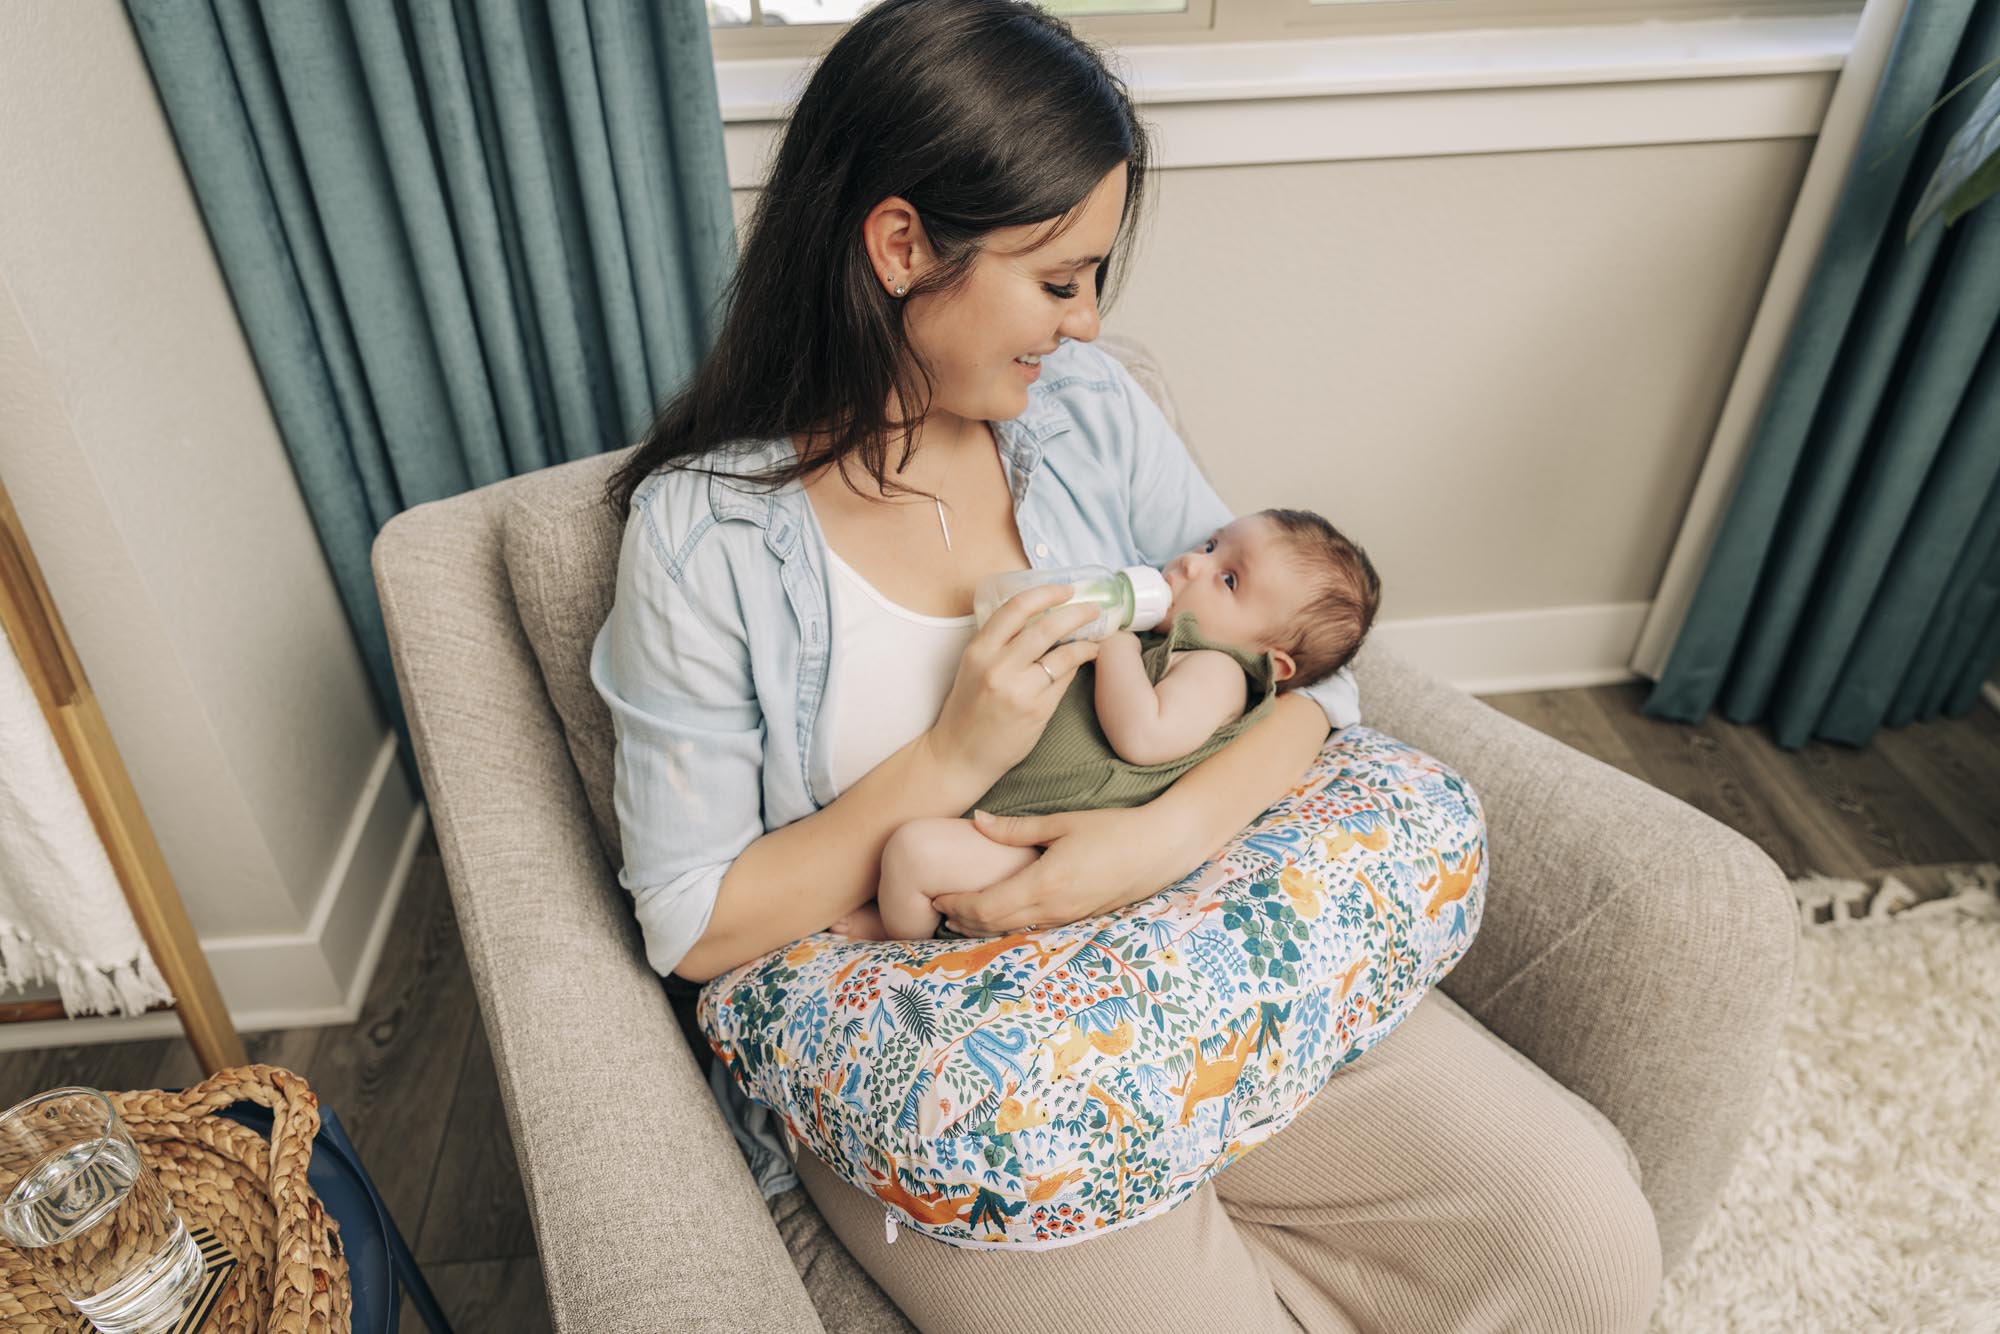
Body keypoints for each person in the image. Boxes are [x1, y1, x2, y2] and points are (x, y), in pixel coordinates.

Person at [588, 0, 1662, 1327]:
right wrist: (948, 761)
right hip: (960, 1061)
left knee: (1578, 1236)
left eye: (1096, 275)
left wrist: (1161, 834)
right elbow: (694, 923)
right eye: (1057, 279)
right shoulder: (704, 539)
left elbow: (1307, 671)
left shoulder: (1088, 416)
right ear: (902, 243)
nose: (1088, 323)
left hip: (1180, 957)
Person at [831, 508, 1383, 942]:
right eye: (1211, 545)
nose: (1193, 564)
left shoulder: (1221, 672)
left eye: (1229, 579)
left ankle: (906, 933)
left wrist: (1113, 639)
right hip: (1011, 805)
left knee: (913, 853)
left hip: (1048, 844)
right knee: (903, 843)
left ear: (1275, 659)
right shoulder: (1165, 642)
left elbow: (1145, 736)